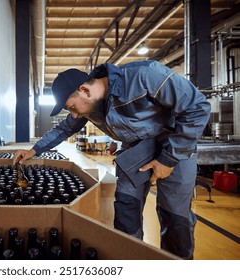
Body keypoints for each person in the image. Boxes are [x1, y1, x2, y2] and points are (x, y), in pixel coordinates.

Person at [13, 60, 211, 259]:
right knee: (126, 210)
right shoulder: (90, 104)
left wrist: (168, 159)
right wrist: (34, 150)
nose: (73, 115)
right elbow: (65, 128)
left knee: (175, 217)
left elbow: (198, 107)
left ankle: (177, 265)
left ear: (84, 90)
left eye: (71, 107)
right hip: (135, 151)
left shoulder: (144, 76)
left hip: (175, 146)